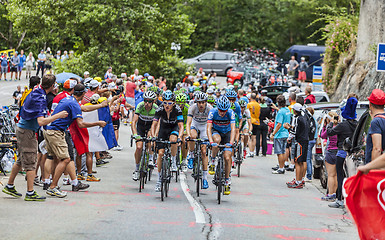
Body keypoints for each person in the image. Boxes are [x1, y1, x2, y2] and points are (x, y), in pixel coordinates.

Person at [2, 74, 68, 201]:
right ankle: (30, 192)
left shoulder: (37, 89)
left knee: (21, 160)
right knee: (31, 162)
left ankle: (9, 185)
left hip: (23, 129)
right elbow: (41, 121)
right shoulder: (40, 98)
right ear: (53, 86)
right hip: (27, 132)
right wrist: (58, 116)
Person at [44, 84, 106, 198]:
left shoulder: (69, 99)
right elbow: (81, 124)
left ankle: (49, 182)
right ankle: (52, 187)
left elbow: (85, 108)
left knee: (52, 157)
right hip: (56, 132)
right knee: (66, 159)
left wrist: (100, 106)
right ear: (83, 94)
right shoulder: (73, 103)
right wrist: (98, 123)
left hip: (49, 129)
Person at [327, 95, 358, 208]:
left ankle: (339, 200)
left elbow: (330, 132)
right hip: (352, 155)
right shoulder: (357, 124)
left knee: (341, 177)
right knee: (351, 178)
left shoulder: (342, 125)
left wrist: (331, 123)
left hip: (341, 153)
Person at [151, 90, 184, 192]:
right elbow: (154, 124)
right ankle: (159, 179)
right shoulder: (160, 109)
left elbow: (181, 126)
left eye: (169, 103)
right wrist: (153, 136)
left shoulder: (177, 110)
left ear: (173, 103)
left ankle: (174, 161)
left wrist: (180, 137)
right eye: (165, 102)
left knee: (173, 139)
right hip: (163, 129)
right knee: (160, 154)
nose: (167, 105)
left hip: (174, 128)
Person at [207, 96, 236, 195]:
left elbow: (233, 130)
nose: (222, 112)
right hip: (216, 131)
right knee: (216, 141)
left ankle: (227, 180)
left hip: (227, 133)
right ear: (217, 107)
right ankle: (213, 160)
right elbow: (208, 128)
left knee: (227, 157)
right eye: (220, 110)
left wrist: (231, 143)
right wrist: (211, 142)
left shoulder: (230, 113)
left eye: (224, 110)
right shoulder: (213, 112)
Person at [186, 92, 212, 189]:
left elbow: (211, 125)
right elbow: (188, 123)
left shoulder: (210, 108)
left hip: (205, 125)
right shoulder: (192, 107)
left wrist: (210, 138)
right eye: (199, 102)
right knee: (193, 136)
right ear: (196, 102)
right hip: (195, 123)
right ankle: (191, 155)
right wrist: (188, 135)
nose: (201, 105)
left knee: (204, 151)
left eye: (203, 102)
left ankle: (205, 178)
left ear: (206, 102)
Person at [131, 91, 158, 180]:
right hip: (141, 126)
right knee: (139, 147)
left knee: (150, 138)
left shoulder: (156, 108)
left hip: (151, 126)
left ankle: (150, 158)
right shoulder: (140, 106)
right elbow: (134, 122)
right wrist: (135, 134)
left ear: (153, 102)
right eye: (145, 100)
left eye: (149, 101)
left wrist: (155, 134)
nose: (147, 103)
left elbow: (157, 124)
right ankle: (136, 169)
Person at [283, 103, 309, 188]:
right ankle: (300, 179)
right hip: (305, 141)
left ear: (295, 110)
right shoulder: (304, 117)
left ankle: (298, 181)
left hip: (300, 141)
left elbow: (295, 132)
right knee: (301, 161)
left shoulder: (298, 119)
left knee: (298, 162)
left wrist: (288, 128)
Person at [320, 111, 339, 201]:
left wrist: (324, 125)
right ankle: (335, 193)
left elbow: (323, 135)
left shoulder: (330, 127)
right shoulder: (339, 127)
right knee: (335, 175)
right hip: (338, 151)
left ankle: (330, 193)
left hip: (330, 151)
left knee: (331, 175)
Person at [271, 95, 291, 174]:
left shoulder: (280, 112)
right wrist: (276, 109)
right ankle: (281, 166)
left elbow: (279, 124)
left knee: (279, 152)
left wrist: (273, 133)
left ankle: (281, 168)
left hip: (279, 134)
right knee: (283, 151)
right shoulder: (287, 110)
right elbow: (282, 112)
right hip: (285, 133)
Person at [365, 89, 385, 164]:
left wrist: (373, 170)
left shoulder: (376, 122)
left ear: (370, 104)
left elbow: (377, 149)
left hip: (379, 168)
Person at [247, 93, 260, 157]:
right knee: (254, 137)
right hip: (257, 121)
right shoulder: (258, 105)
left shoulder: (249, 104)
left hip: (250, 122)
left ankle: (250, 151)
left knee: (249, 137)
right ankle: (252, 151)